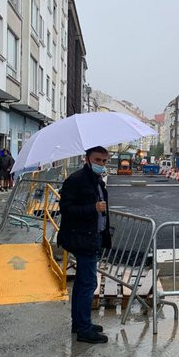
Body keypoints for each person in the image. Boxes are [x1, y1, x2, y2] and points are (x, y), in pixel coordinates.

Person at [58, 146, 112, 344]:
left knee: (82, 283)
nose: (101, 164)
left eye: (104, 161)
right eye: (98, 160)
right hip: (82, 239)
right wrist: (93, 208)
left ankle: (80, 323)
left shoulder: (96, 180)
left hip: (92, 237)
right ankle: (84, 328)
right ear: (87, 159)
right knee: (88, 283)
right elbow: (66, 209)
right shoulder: (76, 180)